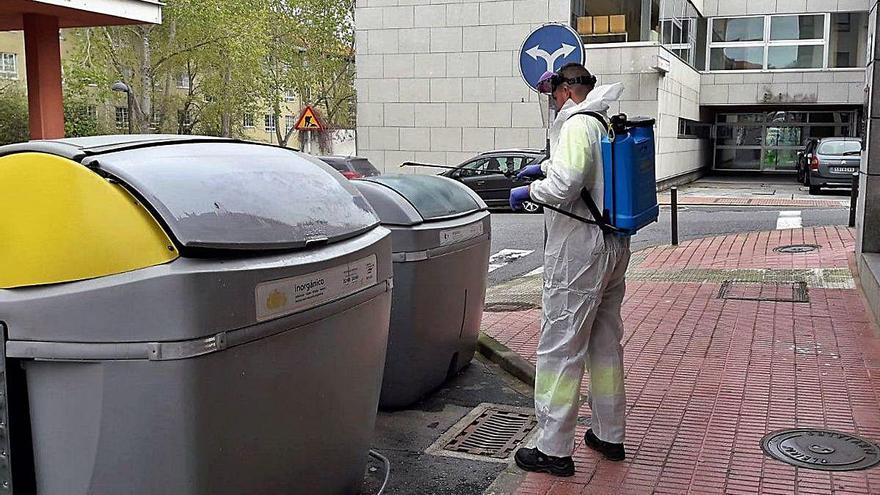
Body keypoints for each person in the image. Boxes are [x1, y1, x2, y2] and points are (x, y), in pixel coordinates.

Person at [508, 63, 629, 477]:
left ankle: (553, 447)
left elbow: (567, 185)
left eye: (552, 93)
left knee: (560, 347)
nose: (552, 101)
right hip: (613, 244)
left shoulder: (577, 125)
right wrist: (543, 167)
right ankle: (609, 434)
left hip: (580, 252)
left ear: (565, 90)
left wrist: (532, 189)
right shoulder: (604, 122)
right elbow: (589, 174)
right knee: (605, 345)